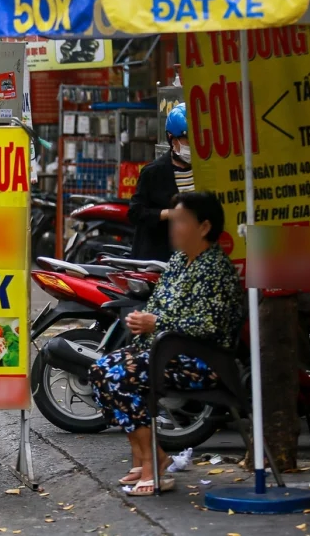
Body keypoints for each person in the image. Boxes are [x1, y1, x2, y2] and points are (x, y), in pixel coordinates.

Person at [88, 191, 243, 496]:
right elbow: (158, 307)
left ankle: (154, 464)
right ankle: (149, 457)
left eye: (182, 221)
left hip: (202, 360)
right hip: (166, 352)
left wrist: (155, 323)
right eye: (173, 221)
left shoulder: (215, 269)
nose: (174, 228)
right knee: (99, 370)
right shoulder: (177, 262)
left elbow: (209, 325)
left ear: (204, 227)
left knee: (121, 376)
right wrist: (142, 320)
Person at [129, 103, 195, 262]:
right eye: (187, 139)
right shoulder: (153, 172)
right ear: (172, 139)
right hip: (159, 259)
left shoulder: (204, 170)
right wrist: (171, 214)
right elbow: (135, 213)